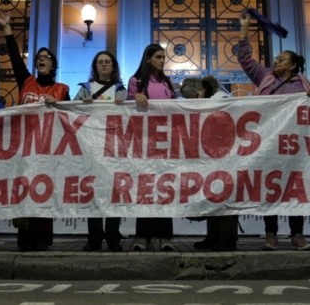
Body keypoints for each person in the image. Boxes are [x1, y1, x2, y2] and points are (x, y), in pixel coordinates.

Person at [236, 12, 310, 251]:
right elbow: (245, 58)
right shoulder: (265, 77)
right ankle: (270, 234)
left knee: (294, 189)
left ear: (293, 65)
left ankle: (297, 235)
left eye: (282, 59)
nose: (276, 61)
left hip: (294, 145)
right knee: (269, 188)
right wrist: (244, 29)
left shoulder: (304, 84)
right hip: (268, 142)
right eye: (276, 58)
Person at [0, 13, 69, 251]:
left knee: (43, 191)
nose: (42, 60)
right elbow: (16, 59)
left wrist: (57, 104)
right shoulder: (26, 81)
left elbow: (70, 118)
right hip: (24, 147)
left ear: (53, 64)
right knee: (24, 190)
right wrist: (8, 29)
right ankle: (24, 240)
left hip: (48, 148)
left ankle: (43, 239)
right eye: (39, 57)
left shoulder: (62, 89)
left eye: (46, 58)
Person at [127, 43, 177, 251]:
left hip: (164, 143)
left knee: (165, 188)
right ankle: (143, 236)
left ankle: (165, 237)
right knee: (145, 189)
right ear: (148, 58)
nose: (162, 60)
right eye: (158, 57)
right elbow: (128, 111)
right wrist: (134, 99)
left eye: (163, 57)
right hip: (143, 142)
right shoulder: (136, 81)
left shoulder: (167, 82)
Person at [75, 50, 126, 252]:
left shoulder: (122, 90)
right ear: (95, 67)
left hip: (114, 147)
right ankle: (94, 237)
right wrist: (81, 104)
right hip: (91, 147)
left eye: (107, 62)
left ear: (113, 66)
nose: (104, 65)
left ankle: (113, 237)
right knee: (93, 192)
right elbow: (71, 110)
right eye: (100, 62)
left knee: (113, 192)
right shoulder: (85, 89)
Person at [181, 76, 239, 251]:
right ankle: (214, 237)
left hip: (226, 158)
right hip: (212, 158)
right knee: (213, 197)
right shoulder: (216, 100)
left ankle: (226, 240)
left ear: (201, 92)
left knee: (224, 199)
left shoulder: (222, 101)